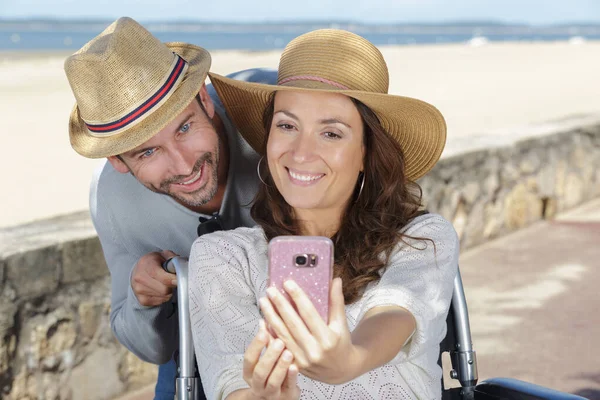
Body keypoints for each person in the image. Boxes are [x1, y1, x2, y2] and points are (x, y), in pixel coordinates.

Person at [188, 28, 459, 400]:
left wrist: (352, 358)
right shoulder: (224, 257)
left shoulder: (421, 239)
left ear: (366, 151)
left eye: (331, 133)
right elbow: (232, 383)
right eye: (287, 126)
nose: (300, 153)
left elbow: (396, 312)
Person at [63, 17, 277, 399]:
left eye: (183, 128)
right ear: (117, 161)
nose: (183, 166)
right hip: (193, 361)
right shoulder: (113, 198)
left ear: (205, 99)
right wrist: (142, 296)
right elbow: (150, 347)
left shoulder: (275, 111)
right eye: (147, 151)